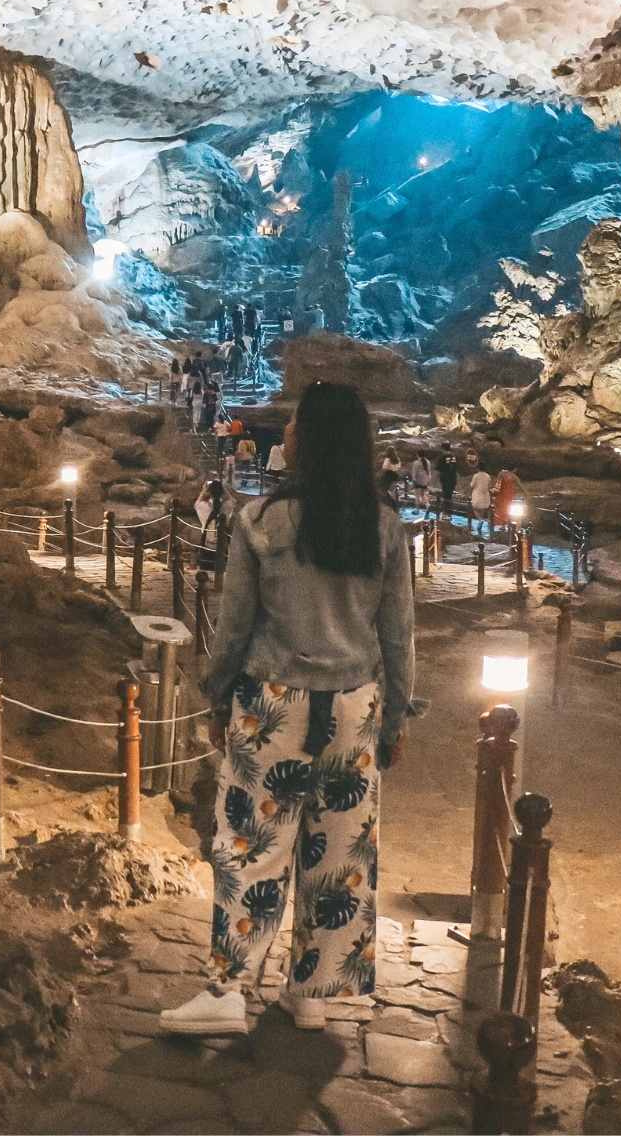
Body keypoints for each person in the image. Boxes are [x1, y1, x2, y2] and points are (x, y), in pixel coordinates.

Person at [160, 381, 414, 1036]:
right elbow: (399, 634)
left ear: (310, 441)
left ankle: (228, 990)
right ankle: (313, 992)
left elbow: (235, 625)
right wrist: (399, 716)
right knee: (338, 854)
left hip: (273, 703)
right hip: (355, 705)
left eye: (296, 424)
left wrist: (214, 695)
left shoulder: (260, 520)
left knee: (253, 846)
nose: (288, 433)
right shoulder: (383, 525)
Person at [469, 464, 493, 539]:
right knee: (483, 509)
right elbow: (489, 486)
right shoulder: (488, 476)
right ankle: (481, 521)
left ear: (478, 468)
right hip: (485, 495)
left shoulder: (476, 476)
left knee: (474, 507)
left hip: (477, 494)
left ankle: (480, 519)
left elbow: (472, 485)